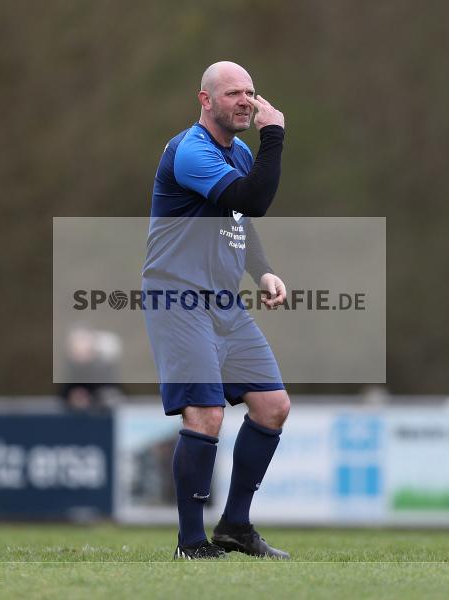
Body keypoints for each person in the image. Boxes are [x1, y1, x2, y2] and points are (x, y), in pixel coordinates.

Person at [142, 61, 291, 560]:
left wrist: (262, 271)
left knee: (273, 406)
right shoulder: (191, 151)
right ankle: (190, 543)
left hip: (224, 302)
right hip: (179, 297)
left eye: (250, 92)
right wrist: (275, 137)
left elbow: (242, 218)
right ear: (205, 100)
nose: (245, 101)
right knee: (205, 413)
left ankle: (235, 527)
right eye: (232, 93)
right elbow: (254, 199)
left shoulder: (240, 152)